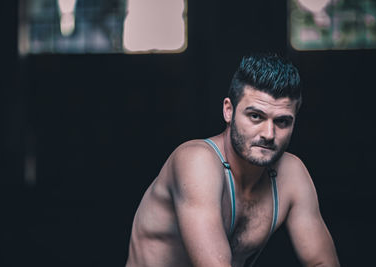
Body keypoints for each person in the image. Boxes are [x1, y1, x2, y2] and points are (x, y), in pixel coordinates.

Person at [125, 53, 340, 267]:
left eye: (282, 121)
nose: (269, 133)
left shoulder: (291, 175)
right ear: (229, 111)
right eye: (256, 116)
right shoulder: (197, 162)